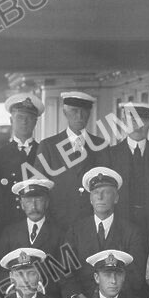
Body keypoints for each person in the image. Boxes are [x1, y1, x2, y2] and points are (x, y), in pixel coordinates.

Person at [61, 167, 147, 298]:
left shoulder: (131, 231)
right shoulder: (75, 230)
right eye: (95, 193)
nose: (100, 197)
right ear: (90, 198)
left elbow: (136, 275)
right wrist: (78, 295)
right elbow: (65, 269)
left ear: (116, 198)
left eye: (106, 192)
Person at [34, 91, 106, 231]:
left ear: (90, 113)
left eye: (84, 111)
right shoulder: (48, 146)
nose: (79, 116)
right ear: (65, 113)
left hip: (91, 222)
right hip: (57, 222)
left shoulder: (101, 146)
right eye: (74, 111)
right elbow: (40, 187)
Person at [100, 102, 149, 240]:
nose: (139, 126)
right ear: (124, 122)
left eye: (144, 120)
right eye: (133, 121)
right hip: (119, 228)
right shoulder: (110, 155)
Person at [0, 179, 65, 296]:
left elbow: (63, 271)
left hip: (48, 295)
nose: (34, 206)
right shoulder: (9, 233)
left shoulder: (59, 233)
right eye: (28, 201)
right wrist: (13, 289)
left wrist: (43, 289)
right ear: (21, 204)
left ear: (47, 202)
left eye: (39, 200)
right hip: (15, 296)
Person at [0, 93, 45, 227]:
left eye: (29, 118)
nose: (24, 122)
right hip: (7, 224)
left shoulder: (45, 153)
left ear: (36, 122)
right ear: (11, 120)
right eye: (20, 117)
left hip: (38, 221)